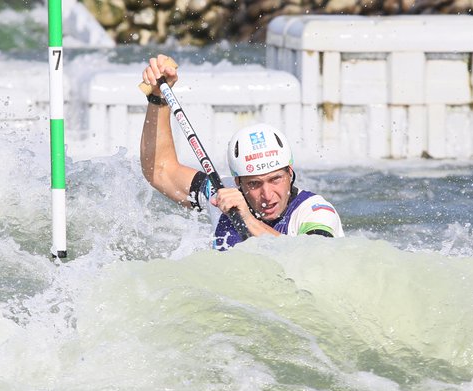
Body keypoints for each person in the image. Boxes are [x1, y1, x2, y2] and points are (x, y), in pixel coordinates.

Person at [140, 54, 344, 249]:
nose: (267, 195)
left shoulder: (316, 212)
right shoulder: (223, 195)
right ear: (238, 183)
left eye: (275, 179)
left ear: (290, 173)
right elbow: (159, 170)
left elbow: (314, 262)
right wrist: (158, 98)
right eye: (254, 184)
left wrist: (247, 218)